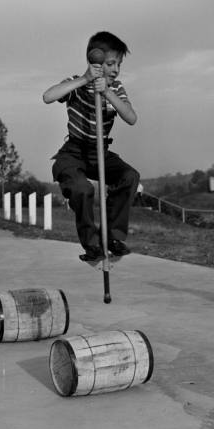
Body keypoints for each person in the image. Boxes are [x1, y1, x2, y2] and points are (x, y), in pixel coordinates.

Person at [43, 31, 140, 261]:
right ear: (94, 61)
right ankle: (92, 244)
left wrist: (105, 91)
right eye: (110, 63)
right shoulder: (77, 83)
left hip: (100, 152)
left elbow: (131, 117)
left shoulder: (116, 89)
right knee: (82, 189)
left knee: (130, 176)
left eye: (119, 64)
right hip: (74, 152)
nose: (115, 69)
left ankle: (113, 237)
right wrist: (86, 79)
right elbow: (48, 96)